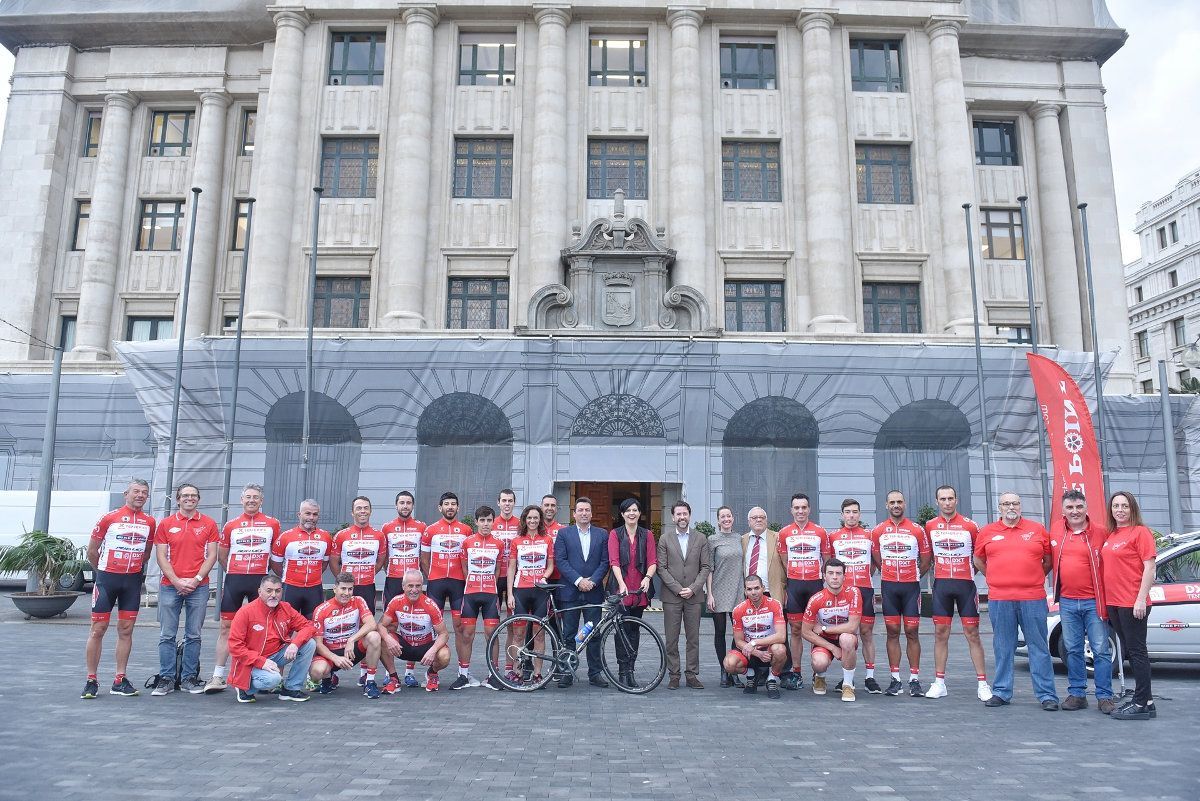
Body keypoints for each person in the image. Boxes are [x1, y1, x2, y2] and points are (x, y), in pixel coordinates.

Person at [974, 492, 1059, 710]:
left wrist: (1033, 577)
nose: (1011, 507)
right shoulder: (987, 532)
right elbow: (978, 559)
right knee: (1003, 647)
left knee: (1038, 646)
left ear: (1020, 506)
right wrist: (994, 575)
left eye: (1015, 503)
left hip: (1032, 598)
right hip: (1000, 598)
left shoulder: (1037, 530)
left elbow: (1048, 560)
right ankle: (1001, 691)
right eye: (1006, 504)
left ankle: (1047, 695)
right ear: (999, 507)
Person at [82, 478, 156, 700]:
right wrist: (102, 572)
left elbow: (147, 553)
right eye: (136, 491)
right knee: (98, 629)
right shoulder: (109, 517)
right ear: (127, 494)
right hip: (107, 579)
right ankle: (91, 679)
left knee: (126, 630)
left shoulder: (150, 522)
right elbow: (92, 551)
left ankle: (119, 679)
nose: (140, 495)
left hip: (132, 581)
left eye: (144, 492)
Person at [205, 483, 281, 694]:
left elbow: (276, 555)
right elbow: (222, 555)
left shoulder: (273, 524)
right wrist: (235, 570)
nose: (251, 500)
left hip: (260, 580)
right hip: (235, 580)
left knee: (264, 627)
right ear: (241, 500)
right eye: (248, 497)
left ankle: (264, 672)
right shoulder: (231, 525)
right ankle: (219, 676)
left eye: (255, 497)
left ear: (261, 500)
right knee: (226, 629)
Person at [924, 485, 992, 702]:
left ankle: (982, 683)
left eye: (950, 498)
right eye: (943, 499)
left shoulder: (970, 526)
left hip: (965, 585)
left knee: (972, 634)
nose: (947, 502)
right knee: (940, 633)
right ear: (937, 502)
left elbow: (979, 555)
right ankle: (939, 683)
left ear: (956, 500)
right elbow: (928, 555)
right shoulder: (930, 526)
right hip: (942, 584)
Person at [1049, 489, 1114, 713]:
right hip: (1067, 601)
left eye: (1079, 507)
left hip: (1094, 601)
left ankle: (1105, 696)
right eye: (1070, 507)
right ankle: (1077, 694)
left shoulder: (1101, 532)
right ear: (1062, 510)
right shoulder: (1056, 530)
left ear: (1086, 508)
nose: (1074, 511)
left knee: (1101, 650)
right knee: (1073, 649)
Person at [151, 483, 219, 696]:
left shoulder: (208, 523)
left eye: (193, 496)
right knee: (167, 635)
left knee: (194, 635)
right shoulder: (165, 524)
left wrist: (196, 579)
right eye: (185, 495)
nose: (189, 499)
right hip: (170, 587)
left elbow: (212, 555)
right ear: (177, 499)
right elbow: (161, 556)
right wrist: (176, 581)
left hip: (199, 586)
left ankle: (189, 678)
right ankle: (167, 679)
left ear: (198, 499)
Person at [1103, 490, 1158, 720]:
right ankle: (1147, 700)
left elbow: (1150, 568)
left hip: (1132, 603)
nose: (1120, 510)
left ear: (1132, 508)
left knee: (1137, 653)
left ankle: (1142, 702)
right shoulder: (1112, 534)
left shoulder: (1140, 533)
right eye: (1116, 506)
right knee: (1130, 652)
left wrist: (1139, 599)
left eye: (1125, 506)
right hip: (1115, 603)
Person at [870, 490, 931, 697]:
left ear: (904, 504)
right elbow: (877, 559)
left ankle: (914, 679)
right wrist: (890, 572)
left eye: (899, 502)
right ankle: (895, 679)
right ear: (886, 505)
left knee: (912, 632)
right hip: (889, 588)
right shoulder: (878, 531)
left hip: (911, 587)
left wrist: (912, 574)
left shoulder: (917, 530)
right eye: (892, 502)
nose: (896, 505)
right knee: (892, 631)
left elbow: (925, 560)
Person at [227, 574, 317, 703]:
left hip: (276, 655)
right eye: (269, 590)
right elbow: (235, 646)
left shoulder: (286, 608)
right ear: (259, 591)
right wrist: (261, 662)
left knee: (309, 644)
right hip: (251, 661)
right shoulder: (245, 612)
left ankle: (291, 689)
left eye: (277, 591)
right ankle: (244, 687)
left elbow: (309, 627)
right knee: (273, 680)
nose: (273, 595)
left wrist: (295, 644)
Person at [826, 498, 882, 693]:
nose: (851, 515)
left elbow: (875, 561)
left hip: (865, 589)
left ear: (859, 514)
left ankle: (870, 677)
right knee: (847, 635)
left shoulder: (869, 535)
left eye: (855, 512)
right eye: (848, 512)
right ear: (842, 515)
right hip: (844, 593)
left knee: (866, 634)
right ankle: (847, 679)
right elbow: (829, 564)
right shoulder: (833, 537)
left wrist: (865, 577)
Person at [553, 497, 610, 688]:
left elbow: (605, 562)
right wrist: (579, 580)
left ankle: (595, 673)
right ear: (574, 513)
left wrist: (592, 581)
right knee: (569, 633)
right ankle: (567, 673)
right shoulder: (564, 534)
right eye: (580, 510)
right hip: (570, 591)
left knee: (593, 633)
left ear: (592, 514)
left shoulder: (602, 534)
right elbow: (560, 561)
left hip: (594, 592)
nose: (584, 513)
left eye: (587, 510)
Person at [657, 500, 712, 690]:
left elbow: (705, 567)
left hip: (694, 596)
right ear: (673, 517)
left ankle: (691, 674)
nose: (682, 517)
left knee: (693, 638)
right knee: (671, 638)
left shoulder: (701, 538)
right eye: (678, 514)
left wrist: (694, 588)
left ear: (689, 515)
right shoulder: (665, 539)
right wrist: (678, 588)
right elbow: (661, 568)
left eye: (685, 514)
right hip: (672, 597)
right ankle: (674, 674)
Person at [777, 493, 827, 690]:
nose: (800, 511)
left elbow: (826, 560)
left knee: (817, 629)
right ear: (791, 510)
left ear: (809, 509)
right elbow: (784, 561)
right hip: (795, 585)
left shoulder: (820, 532)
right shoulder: (784, 533)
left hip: (815, 585)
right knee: (795, 630)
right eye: (796, 508)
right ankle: (796, 672)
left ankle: (818, 673)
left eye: (804, 507)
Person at [309, 573, 385, 698]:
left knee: (374, 636)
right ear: (335, 589)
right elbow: (318, 644)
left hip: (351, 650)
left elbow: (372, 624)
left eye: (350, 589)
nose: (347, 593)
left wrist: (352, 639)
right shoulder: (321, 609)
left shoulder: (358, 601)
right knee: (316, 673)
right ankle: (328, 679)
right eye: (343, 589)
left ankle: (369, 681)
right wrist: (335, 658)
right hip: (331, 653)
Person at [607, 498, 657, 687]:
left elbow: (652, 561)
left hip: (639, 590)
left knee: (634, 631)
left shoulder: (647, 535)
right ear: (622, 514)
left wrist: (648, 578)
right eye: (628, 510)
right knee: (621, 631)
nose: (631, 513)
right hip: (621, 588)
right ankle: (622, 671)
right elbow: (614, 561)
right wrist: (621, 584)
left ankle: (631, 670)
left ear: (639, 513)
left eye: (635, 510)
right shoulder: (615, 534)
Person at [453, 505, 504, 690]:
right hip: (471, 593)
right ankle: (463, 675)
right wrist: (472, 582)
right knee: (467, 635)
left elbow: (498, 569)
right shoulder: (467, 542)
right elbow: (464, 567)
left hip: (490, 594)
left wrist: (490, 583)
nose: (485, 524)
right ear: (476, 522)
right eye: (482, 520)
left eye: (489, 520)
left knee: (492, 635)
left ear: (493, 522)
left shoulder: (499, 543)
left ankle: (493, 675)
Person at [379, 569, 453, 692]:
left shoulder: (430, 605)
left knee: (445, 655)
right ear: (403, 586)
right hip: (405, 646)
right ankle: (393, 678)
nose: (414, 590)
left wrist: (433, 650)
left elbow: (444, 634)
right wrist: (388, 639)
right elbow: (381, 625)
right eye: (410, 586)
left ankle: (432, 674)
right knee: (381, 639)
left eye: (418, 586)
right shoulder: (396, 602)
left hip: (425, 648)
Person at [380, 490, 426, 687]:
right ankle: (390, 672)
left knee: (412, 626)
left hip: (414, 583)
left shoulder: (421, 527)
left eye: (408, 503)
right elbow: (383, 557)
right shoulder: (387, 527)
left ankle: (409, 672)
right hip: (393, 580)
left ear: (412, 506)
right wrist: (391, 571)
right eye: (402, 503)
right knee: (390, 626)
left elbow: (424, 556)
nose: (405, 506)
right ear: (396, 505)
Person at [506, 505, 555, 683]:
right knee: (518, 635)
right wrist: (510, 594)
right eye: (529, 518)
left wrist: (544, 577)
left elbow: (550, 565)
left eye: (536, 518)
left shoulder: (547, 539)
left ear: (540, 520)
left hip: (540, 591)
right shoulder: (517, 541)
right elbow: (511, 568)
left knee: (539, 634)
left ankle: (537, 673)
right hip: (521, 589)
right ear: (524, 520)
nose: (533, 521)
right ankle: (518, 672)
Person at [800, 559, 861, 702]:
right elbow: (805, 631)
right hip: (825, 641)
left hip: (844, 637)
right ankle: (819, 677)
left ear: (844, 576)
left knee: (846, 638)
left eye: (838, 573)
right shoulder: (816, 599)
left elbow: (852, 626)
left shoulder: (853, 592)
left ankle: (847, 685)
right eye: (831, 573)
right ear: (824, 576)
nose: (835, 577)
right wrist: (832, 648)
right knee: (819, 663)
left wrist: (825, 628)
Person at [420, 491, 471, 647]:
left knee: (460, 627)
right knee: (433, 626)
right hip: (436, 582)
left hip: (458, 583)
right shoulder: (430, 530)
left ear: (458, 507)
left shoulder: (466, 530)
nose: (450, 507)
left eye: (453, 504)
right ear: (440, 507)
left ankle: (463, 670)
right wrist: (432, 576)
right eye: (447, 504)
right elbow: (424, 559)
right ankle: (433, 668)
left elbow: (469, 559)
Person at [723, 574, 787, 699]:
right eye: (749, 589)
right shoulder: (738, 609)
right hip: (749, 651)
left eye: (757, 588)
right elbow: (738, 641)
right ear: (745, 591)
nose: (753, 592)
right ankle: (751, 675)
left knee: (780, 649)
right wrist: (757, 652)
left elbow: (781, 636)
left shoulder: (774, 604)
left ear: (763, 588)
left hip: (769, 649)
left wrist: (754, 642)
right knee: (729, 664)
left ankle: (772, 679)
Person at [271, 499, 334, 619]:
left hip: (314, 588)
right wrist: (290, 576)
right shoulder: (286, 536)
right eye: (307, 513)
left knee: (313, 626)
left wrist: (312, 575)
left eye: (315, 514)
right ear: (299, 515)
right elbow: (275, 564)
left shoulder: (326, 537)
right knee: (285, 625)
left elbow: (325, 563)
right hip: (291, 587)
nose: (311, 517)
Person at [707, 506, 745, 687]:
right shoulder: (712, 540)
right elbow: (709, 568)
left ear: (733, 518)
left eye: (729, 516)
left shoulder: (740, 538)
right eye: (723, 516)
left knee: (738, 632)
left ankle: (733, 670)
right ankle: (724, 670)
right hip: (719, 590)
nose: (726, 519)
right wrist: (710, 594)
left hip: (737, 590)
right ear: (718, 520)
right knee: (720, 632)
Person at [331, 496, 386, 612]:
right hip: (347, 586)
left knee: (367, 620)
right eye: (359, 508)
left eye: (366, 508)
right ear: (352, 512)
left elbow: (381, 560)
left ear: (370, 511)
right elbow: (333, 562)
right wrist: (342, 580)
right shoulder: (341, 535)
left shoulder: (379, 535)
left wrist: (369, 573)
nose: (363, 511)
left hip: (368, 586)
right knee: (345, 620)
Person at [492, 489, 521, 682]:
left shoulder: (520, 524)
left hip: (514, 577)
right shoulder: (490, 523)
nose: (507, 504)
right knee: (493, 625)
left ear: (514, 503)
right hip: (494, 578)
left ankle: (510, 668)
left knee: (513, 626)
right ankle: (493, 669)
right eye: (504, 500)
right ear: (498, 503)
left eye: (510, 501)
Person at [741, 507, 785, 603]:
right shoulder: (742, 540)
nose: (759, 519)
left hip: (772, 593)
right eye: (754, 517)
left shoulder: (778, 538)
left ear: (766, 520)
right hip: (749, 595)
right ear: (749, 522)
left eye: (762, 517)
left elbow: (787, 566)